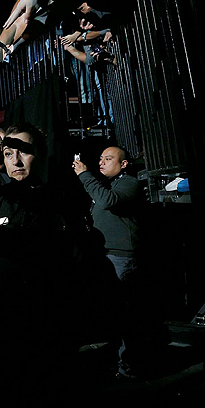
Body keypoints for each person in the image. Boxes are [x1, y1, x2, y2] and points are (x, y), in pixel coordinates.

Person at [0, 122, 77, 403]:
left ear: (40, 154)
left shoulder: (64, 205)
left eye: (23, 152)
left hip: (46, 336)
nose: (15, 161)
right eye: (8, 154)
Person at [72, 145, 158, 380]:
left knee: (124, 314)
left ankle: (129, 365)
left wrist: (84, 175)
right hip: (104, 255)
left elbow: (108, 201)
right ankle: (117, 361)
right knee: (111, 312)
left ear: (124, 164)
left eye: (108, 159)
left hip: (121, 257)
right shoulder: (108, 184)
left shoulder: (128, 183)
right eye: (100, 158)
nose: (102, 162)